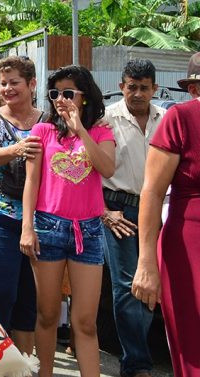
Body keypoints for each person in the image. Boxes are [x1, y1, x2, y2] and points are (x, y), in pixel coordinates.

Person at [20, 65, 115, 377]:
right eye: (55, 93)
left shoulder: (101, 132)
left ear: (84, 97)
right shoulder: (42, 131)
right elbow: (32, 182)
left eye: (68, 93)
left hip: (88, 231)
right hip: (48, 227)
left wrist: (80, 131)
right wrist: (27, 227)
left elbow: (107, 168)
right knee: (47, 315)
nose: (60, 99)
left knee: (85, 322)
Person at [132, 52, 200, 377]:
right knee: (194, 348)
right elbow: (152, 192)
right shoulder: (181, 119)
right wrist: (146, 264)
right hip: (189, 249)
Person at [0, 55, 43, 355]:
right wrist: (18, 148)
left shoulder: (47, 121)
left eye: (14, 82)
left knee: (30, 299)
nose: (7, 89)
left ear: (32, 84)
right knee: (2, 293)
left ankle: (26, 366)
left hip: (39, 220)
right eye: (3, 83)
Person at [101, 59, 165, 377]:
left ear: (155, 89)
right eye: (132, 87)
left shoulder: (166, 119)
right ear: (122, 86)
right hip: (118, 210)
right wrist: (104, 212)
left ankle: (142, 357)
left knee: (153, 285)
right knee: (127, 287)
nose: (137, 93)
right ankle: (136, 364)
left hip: (159, 211)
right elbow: (86, 168)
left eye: (144, 87)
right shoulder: (105, 118)